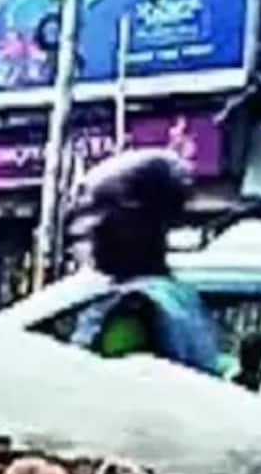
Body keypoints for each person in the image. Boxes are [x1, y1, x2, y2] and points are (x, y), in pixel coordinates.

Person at [46, 149, 222, 374]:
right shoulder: (181, 298)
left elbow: (108, 385)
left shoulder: (133, 308)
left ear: (139, 221)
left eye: (102, 211)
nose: (91, 228)